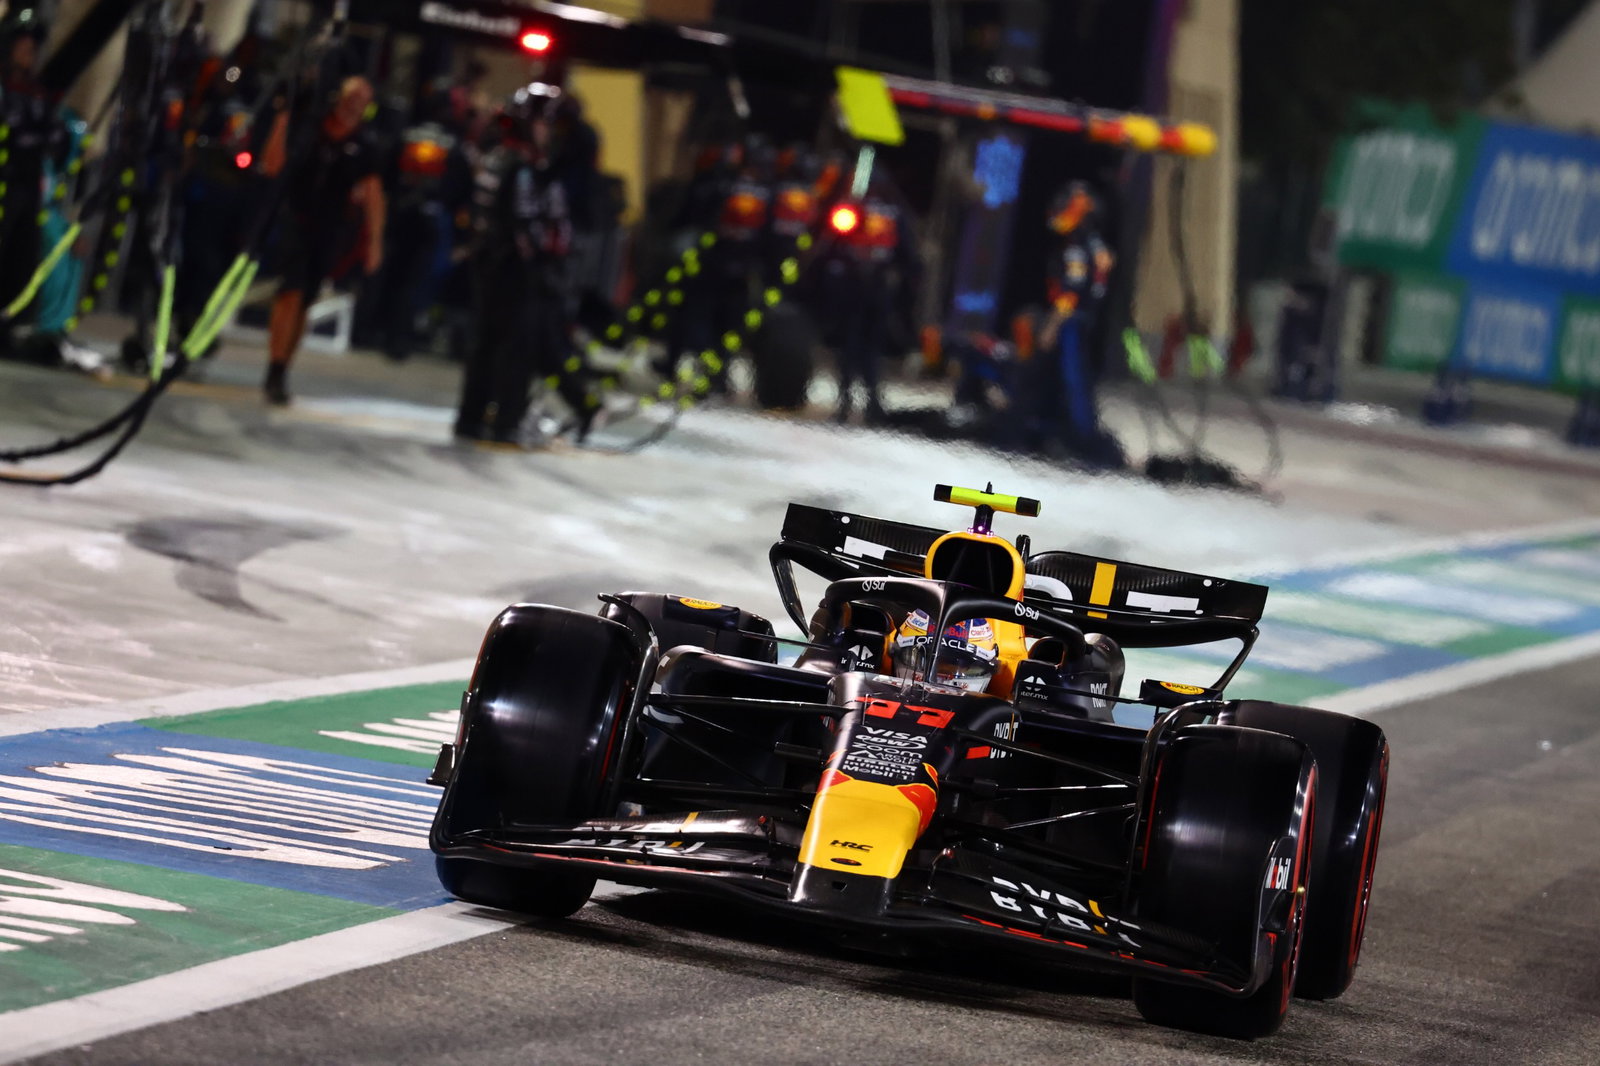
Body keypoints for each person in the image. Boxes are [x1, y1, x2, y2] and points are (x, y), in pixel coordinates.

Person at [453, 91, 573, 443]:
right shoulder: (522, 167)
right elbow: (524, 222)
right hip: (513, 269)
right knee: (515, 347)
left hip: (488, 263)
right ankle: (507, 420)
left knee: (486, 343)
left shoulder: (496, 158)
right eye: (543, 124)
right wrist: (543, 263)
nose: (547, 132)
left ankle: (472, 416)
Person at [260, 75, 384, 405]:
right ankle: (274, 366)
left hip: (330, 231)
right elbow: (274, 166)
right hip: (297, 221)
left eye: (362, 100)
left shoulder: (364, 144)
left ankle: (284, 365)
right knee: (290, 292)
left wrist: (374, 242)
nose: (353, 105)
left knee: (305, 302)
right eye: (350, 97)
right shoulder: (311, 128)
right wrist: (283, 119)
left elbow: (373, 194)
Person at [1033, 180, 1121, 466]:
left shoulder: (1077, 247)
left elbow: (1070, 293)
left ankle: (1083, 443)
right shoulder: (1096, 244)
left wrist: (1051, 326)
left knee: (1074, 382)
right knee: (1070, 380)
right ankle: (1063, 434)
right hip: (1089, 319)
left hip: (1073, 320)